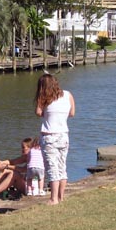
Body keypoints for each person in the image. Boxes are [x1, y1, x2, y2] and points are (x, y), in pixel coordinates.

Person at [35, 73, 75, 205]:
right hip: (64, 134)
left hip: (49, 136)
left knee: (52, 168)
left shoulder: (44, 98)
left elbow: (38, 113)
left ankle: (53, 199)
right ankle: (61, 197)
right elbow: (72, 113)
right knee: (62, 166)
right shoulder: (68, 95)